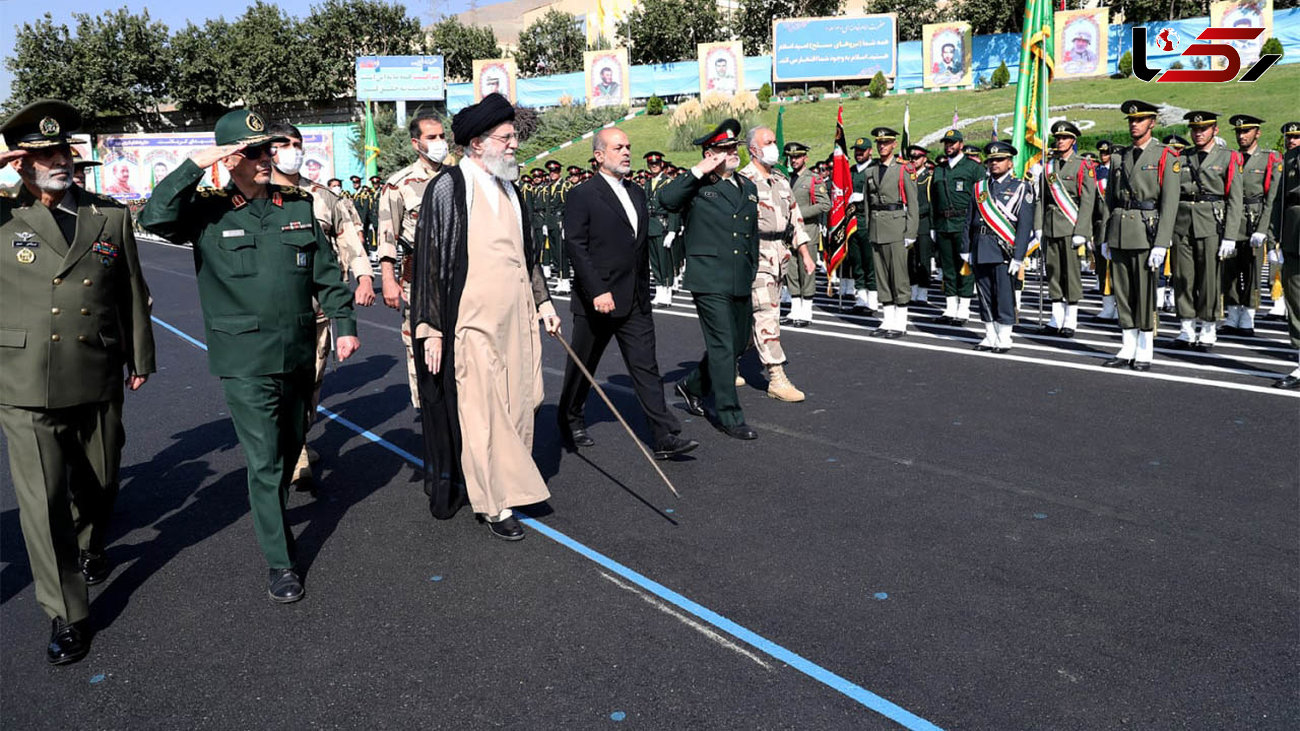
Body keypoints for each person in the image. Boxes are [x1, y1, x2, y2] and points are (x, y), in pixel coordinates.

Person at [139, 109, 360, 602]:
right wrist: (197, 164)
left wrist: (344, 324)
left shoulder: (297, 207)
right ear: (231, 158)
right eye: (255, 151)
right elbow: (153, 217)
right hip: (244, 358)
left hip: (299, 350)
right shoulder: (208, 211)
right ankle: (281, 561)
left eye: (270, 149)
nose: (267, 158)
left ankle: (272, 510)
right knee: (263, 461)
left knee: (288, 449)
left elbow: (326, 273)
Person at [0, 100, 156, 665]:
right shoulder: (2, 215)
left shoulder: (107, 216)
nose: (57, 161)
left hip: (97, 368)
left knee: (102, 476)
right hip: (24, 381)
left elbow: (130, 291)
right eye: (42, 154)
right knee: (42, 502)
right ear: (21, 163)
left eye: (61, 151)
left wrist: (140, 355)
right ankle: (68, 613)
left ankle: (90, 543)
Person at [408, 93, 562, 541]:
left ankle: (511, 484)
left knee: (523, 401)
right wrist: (431, 327)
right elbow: (432, 261)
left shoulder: (511, 186)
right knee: (482, 412)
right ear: (478, 143)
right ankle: (495, 504)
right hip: (470, 323)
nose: (515, 145)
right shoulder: (450, 187)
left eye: (513, 137)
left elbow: (527, 255)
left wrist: (545, 303)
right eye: (506, 138)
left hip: (518, 318)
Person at [557, 128, 699, 458]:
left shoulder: (635, 191)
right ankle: (570, 418)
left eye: (628, 146)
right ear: (599, 155)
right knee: (583, 366)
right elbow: (575, 246)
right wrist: (597, 290)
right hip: (599, 300)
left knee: (645, 366)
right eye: (618, 147)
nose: (625, 152)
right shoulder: (583, 194)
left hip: (634, 297)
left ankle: (664, 435)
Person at [269, 122, 376, 488]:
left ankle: (296, 439)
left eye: (296, 143)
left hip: (317, 312)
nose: (291, 149)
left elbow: (348, 238)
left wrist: (363, 276)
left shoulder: (322, 197)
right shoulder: (256, 195)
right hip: (273, 314)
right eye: (282, 144)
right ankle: (293, 451)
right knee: (281, 385)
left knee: (311, 383)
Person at [660, 119, 760, 440]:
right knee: (722, 345)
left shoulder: (748, 186)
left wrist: (753, 267)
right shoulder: (697, 185)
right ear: (709, 153)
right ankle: (729, 415)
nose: (733, 153)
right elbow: (667, 199)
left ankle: (691, 386)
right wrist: (698, 169)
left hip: (740, 276)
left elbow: (751, 236)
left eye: (734, 148)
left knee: (739, 343)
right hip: (709, 278)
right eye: (724, 149)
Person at [1100, 100, 1180, 371]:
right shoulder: (1119, 156)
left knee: (1144, 292)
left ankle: (1145, 347)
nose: (1134, 124)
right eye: (1131, 120)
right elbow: (1109, 200)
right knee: (1123, 290)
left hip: (1147, 231)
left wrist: (1162, 243)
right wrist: (1104, 237)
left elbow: (1169, 204)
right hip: (1120, 230)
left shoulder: (1165, 156)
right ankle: (1127, 344)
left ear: (1152, 123)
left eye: (1140, 120)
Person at [378, 112, 449, 411]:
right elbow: (387, 236)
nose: (439, 143)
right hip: (417, 281)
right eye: (432, 138)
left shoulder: (457, 178)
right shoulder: (399, 184)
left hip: (457, 279)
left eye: (442, 137)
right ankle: (428, 411)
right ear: (416, 143)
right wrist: (388, 279)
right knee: (420, 346)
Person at [739, 126, 816, 400]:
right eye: (768, 142)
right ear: (753, 150)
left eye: (774, 141)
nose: (774, 146)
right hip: (754, 254)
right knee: (766, 313)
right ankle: (776, 377)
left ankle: (727, 361)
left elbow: (795, 218)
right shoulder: (742, 181)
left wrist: (805, 253)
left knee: (751, 317)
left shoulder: (781, 180)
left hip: (780, 254)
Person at [1169, 111, 1243, 351]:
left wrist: (1230, 235)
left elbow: (1235, 199)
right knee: (1183, 277)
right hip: (1182, 224)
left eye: (1204, 128)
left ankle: (1209, 327)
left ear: (1215, 130)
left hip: (1211, 223)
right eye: (1194, 129)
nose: (1198, 133)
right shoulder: (1182, 156)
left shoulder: (1228, 157)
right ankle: (1187, 328)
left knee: (1210, 278)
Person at [962, 142, 1035, 353]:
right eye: (991, 160)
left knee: (1003, 295)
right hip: (980, 246)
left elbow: (1024, 225)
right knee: (984, 294)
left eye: (999, 159)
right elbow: (970, 220)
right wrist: (965, 248)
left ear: (1009, 162)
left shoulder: (1021, 187)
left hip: (1004, 249)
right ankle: (989, 334)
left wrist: (1019, 256)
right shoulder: (979, 188)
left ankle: (1004, 336)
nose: (994, 163)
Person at [1222, 114, 1282, 337]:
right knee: (1230, 271)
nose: (1241, 135)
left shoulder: (1269, 159)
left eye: (1246, 131)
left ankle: (1248, 316)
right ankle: (1232, 314)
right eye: (1238, 132)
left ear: (1258, 133)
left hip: (1254, 220)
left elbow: (1272, 198)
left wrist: (1262, 229)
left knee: (1252, 272)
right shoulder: (1230, 157)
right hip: (1231, 222)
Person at [1040, 121, 1098, 338]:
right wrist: (1039, 227)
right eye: (1058, 137)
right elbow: (1041, 200)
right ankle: (1056, 317)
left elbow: (1088, 202)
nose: (1060, 141)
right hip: (1050, 225)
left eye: (1064, 137)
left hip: (1071, 226)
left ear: (1073, 140)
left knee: (1071, 274)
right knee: (1053, 272)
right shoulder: (1049, 166)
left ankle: (1071, 319)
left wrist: (1082, 231)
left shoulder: (1083, 165)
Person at [863, 127, 920, 336]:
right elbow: (869, 205)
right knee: (882, 276)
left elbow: (913, 204)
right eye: (879, 143)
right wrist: (870, 229)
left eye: (886, 142)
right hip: (877, 228)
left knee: (899, 276)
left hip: (897, 226)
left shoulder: (904, 169)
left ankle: (900, 322)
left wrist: (910, 232)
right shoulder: (871, 170)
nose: (882, 146)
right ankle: (887, 320)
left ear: (894, 144)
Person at [930, 128, 985, 324]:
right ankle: (950, 308)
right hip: (943, 224)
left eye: (952, 143)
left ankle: (964, 308)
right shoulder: (939, 169)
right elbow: (933, 201)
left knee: (965, 267)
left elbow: (981, 198)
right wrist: (933, 226)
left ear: (961, 144)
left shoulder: (973, 168)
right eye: (946, 143)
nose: (949, 146)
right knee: (948, 267)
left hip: (964, 224)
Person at [1269, 122, 1300, 388]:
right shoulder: (1289, 158)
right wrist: (1274, 239)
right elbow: (1279, 201)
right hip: (1293, 235)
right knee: (1296, 298)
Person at [787, 141, 829, 325]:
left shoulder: (813, 179)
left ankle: (806, 311)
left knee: (807, 270)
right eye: (791, 157)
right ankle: (795, 310)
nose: (794, 160)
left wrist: (799, 213)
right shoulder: (787, 178)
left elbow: (825, 204)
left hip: (807, 230)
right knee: (791, 270)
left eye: (797, 156)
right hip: (789, 232)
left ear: (805, 157)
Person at [643, 151, 680, 307]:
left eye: (656, 164)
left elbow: (674, 207)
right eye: (651, 165)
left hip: (662, 225)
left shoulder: (668, 183)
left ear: (662, 164)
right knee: (655, 262)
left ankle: (667, 294)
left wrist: (672, 230)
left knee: (664, 262)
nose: (654, 167)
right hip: (650, 226)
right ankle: (659, 292)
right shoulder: (647, 183)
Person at [844, 137, 877, 313]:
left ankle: (872, 300)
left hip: (868, 220)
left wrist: (862, 198)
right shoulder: (851, 171)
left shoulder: (875, 170)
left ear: (870, 151)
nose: (859, 154)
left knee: (869, 262)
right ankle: (861, 298)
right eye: (856, 151)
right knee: (856, 262)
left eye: (862, 151)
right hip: (852, 221)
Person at [908, 144, 935, 304]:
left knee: (923, 259)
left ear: (924, 159)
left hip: (923, 223)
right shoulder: (908, 176)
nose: (914, 160)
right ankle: (913, 288)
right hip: (910, 224)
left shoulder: (929, 178)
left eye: (917, 157)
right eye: (912, 158)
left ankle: (923, 291)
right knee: (910, 259)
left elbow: (931, 203)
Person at [1094, 140, 1118, 320]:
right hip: (1100, 225)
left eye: (1107, 152)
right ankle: (1107, 305)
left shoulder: (1119, 170)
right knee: (1103, 268)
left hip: (1117, 224)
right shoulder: (1095, 172)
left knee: (1119, 268)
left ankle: (1120, 306)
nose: (1103, 156)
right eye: (1101, 153)